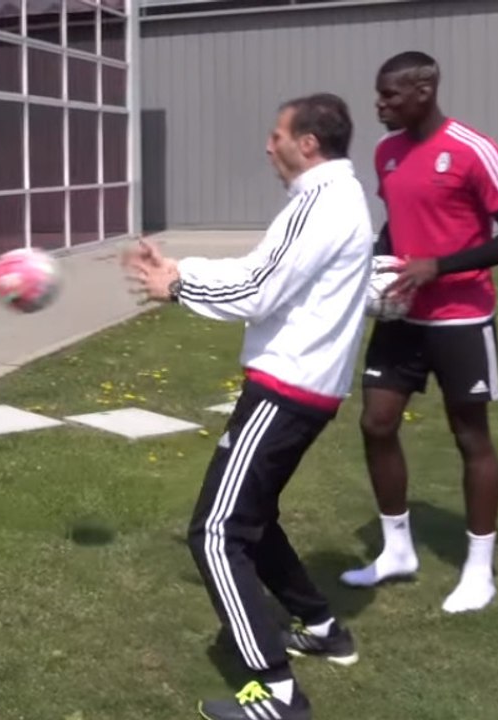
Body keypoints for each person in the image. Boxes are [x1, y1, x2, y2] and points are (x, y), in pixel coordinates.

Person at [125, 93, 372, 720]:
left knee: (214, 532)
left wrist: (177, 285)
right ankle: (319, 625)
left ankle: (279, 693)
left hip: (288, 389)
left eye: (277, 136)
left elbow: (260, 289)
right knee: (252, 518)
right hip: (305, 388)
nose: (268, 147)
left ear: (308, 144)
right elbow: (268, 270)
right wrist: (181, 267)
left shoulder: (322, 202)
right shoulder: (336, 199)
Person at [340, 51, 498, 614]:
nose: (379, 105)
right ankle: (397, 550)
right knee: (376, 422)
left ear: (423, 90)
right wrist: (379, 266)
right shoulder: (386, 153)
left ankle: (479, 572)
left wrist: (439, 265)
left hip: (461, 318)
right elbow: (398, 221)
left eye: (390, 96)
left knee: (470, 436)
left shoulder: (474, 150)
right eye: (379, 95)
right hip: (404, 316)